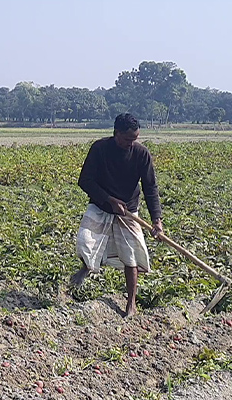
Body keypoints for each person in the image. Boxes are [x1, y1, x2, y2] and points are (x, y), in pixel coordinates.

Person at [70, 113, 163, 317]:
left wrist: (157, 220)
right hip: (101, 204)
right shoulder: (100, 149)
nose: (131, 143)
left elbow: (150, 187)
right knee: (85, 241)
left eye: (135, 139)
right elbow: (85, 180)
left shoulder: (141, 154)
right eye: (127, 139)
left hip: (129, 209)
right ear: (116, 134)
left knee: (131, 256)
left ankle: (131, 303)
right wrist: (109, 200)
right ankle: (87, 266)